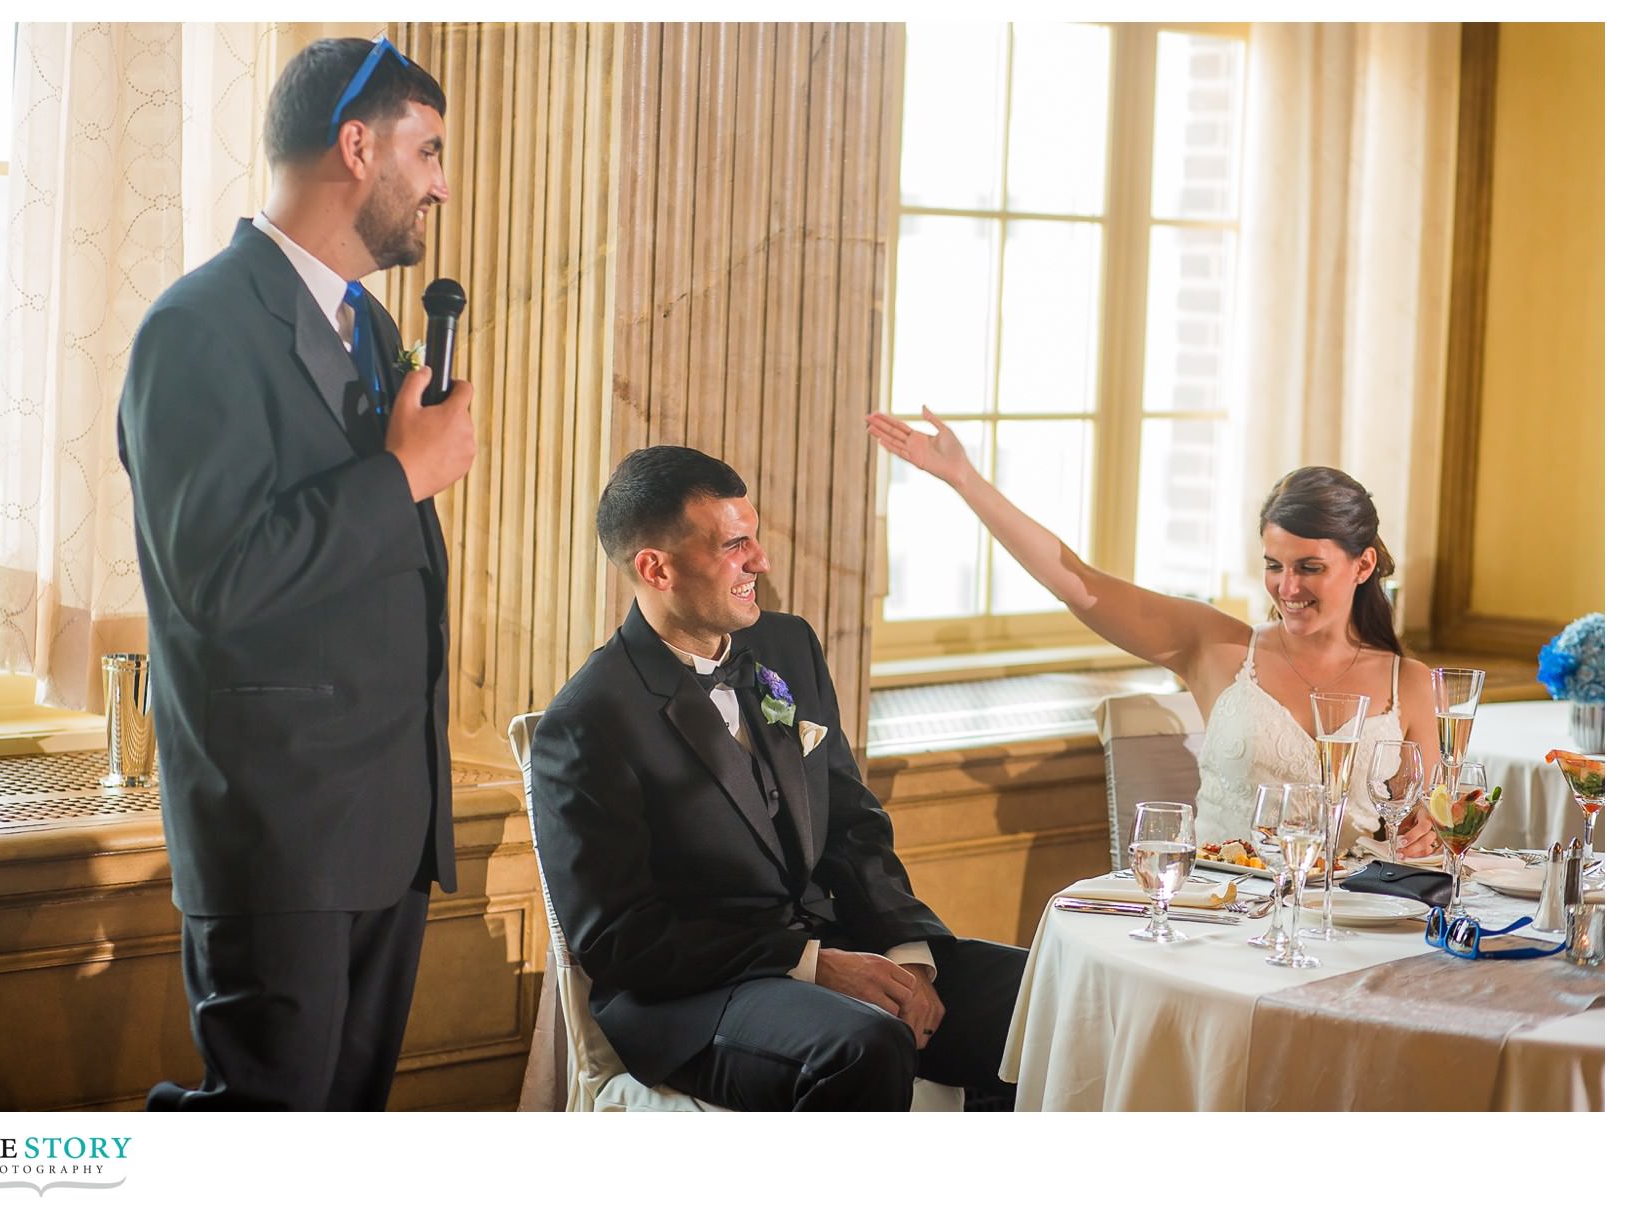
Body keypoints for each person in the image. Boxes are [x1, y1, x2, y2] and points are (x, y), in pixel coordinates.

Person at [117, 36, 477, 1111]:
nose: (441, 183)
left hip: (384, 818)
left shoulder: (368, 324)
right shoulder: (196, 328)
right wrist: (404, 476)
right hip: (277, 826)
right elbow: (215, 578)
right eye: (430, 150)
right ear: (356, 147)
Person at [528, 446, 1028, 1111]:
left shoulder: (789, 646)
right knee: (867, 1043)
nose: (759, 560)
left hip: (841, 943)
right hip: (699, 999)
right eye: (735, 545)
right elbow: (623, 940)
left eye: (754, 537)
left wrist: (905, 953)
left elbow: (852, 825)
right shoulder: (588, 720)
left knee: (1049, 990)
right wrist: (812, 963)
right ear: (656, 567)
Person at [867, 408, 1442, 857]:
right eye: (1273, 564)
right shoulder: (1217, 647)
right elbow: (1079, 584)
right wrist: (965, 479)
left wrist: (1429, 835)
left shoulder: (1408, 684)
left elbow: (1428, 825)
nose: (1286, 587)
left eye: (1308, 567)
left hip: (1348, 929)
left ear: (1362, 566)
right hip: (1219, 914)